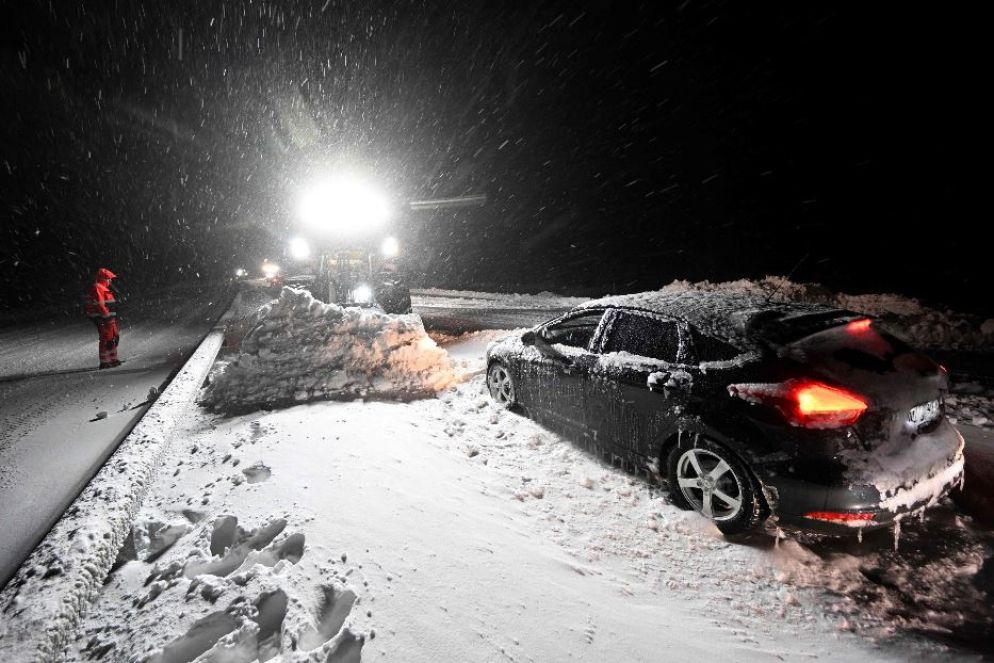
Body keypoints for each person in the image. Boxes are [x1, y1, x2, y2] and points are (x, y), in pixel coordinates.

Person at [85, 267, 121, 369]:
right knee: (106, 338)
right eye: (109, 279)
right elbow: (99, 305)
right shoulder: (98, 288)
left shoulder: (102, 288)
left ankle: (113, 359)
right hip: (103, 318)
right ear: (103, 279)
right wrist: (106, 316)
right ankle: (105, 362)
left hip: (108, 317)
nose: (110, 281)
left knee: (112, 337)